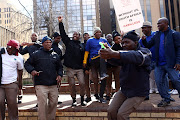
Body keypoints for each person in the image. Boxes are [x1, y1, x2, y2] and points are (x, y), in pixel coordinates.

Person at [100, 31, 151, 120]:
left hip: (138, 92)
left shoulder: (145, 52)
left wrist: (114, 53)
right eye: (122, 43)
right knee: (111, 111)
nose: (123, 45)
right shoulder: (124, 54)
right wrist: (107, 55)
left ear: (135, 42)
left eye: (127, 42)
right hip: (124, 90)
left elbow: (136, 56)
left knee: (121, 115)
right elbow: (116, 60)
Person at [142, 17, 180, 107]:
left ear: (166, 24)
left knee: (176, 80)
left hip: (171, 63)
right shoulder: (157, 35)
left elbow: (179, 49)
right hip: (159, 64)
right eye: (157, 24)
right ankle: (166, 99)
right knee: (159, 81)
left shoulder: (174, 34)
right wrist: (143, 40)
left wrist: (178, 62)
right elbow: (148, 45)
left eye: (160, 24)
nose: (158, 25)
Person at [24, 36, 63, 120]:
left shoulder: (55, 55)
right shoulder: (36, 54)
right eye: (46, 42)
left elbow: (60, 67)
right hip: (41, 84)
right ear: (42, 44)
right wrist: (32, 71)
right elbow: (27, 64)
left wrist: (59, 75)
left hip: (53, 84)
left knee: (54, 103)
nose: (48, 44)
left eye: (50, 42)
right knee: (42, 105)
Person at [58, 16, 86, 106]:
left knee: (82, 83)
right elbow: (63, 34)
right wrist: (60, 22)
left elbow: (85, 57)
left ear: (79, 36)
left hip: (79, 68)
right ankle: (73, 99)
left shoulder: (82, 46)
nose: (75, 35)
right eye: (73, 34)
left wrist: (86, 67)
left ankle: (82, 99)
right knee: (72, 84)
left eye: (76, 34)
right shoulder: (68, 42)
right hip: (70, 68)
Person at [83, 27, 110, 103]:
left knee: (103, 78)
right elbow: (87, 52)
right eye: (97, 32)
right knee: (95, 78)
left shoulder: (104, 40)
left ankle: (101, 96)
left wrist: (106, 46)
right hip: (93, 61)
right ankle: (96, 93)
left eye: (99, 32)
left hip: (102, 60)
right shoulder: (90, 41)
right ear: (94, 33)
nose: (98, 33)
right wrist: (84, 61)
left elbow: (109, 50)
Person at [0, 40, 24, 120]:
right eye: (14, 49)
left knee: (12, 104)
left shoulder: (19, 57)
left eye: (16, 50)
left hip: (11, 83)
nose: (15, 51)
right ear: (9, 48)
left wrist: (20, 83)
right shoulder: (1, 52)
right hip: (0, 84)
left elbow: (20, 71)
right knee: (0, 102)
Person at [139, 21, 158, 100]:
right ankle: (150, 90)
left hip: (157, 59)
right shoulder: (141, 39)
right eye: (142, 28)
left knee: (158, 75)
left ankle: (158, 89)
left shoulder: (155, 35)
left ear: (150, 28)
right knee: (149, 76)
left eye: (144, 28)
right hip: (148, 61)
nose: (143, 30)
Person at [106, 31, 123, 101]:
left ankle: (117, 94)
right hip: (109, 66)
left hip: (117, 66)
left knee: (118, 80)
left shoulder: (123, 46)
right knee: (108, 81)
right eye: (116, 40)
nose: (118, 41)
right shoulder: (112, 47)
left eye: (119, 39)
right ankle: (108, 94)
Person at [52, 32, 63, 104]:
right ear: (54, 38)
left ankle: (56, 97)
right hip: (51, 66)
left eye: (59, 38)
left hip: (58, 66)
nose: (58, 40)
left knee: (58, 82)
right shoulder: (50, 45)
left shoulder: (60, 47)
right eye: (57, 38)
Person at [82, 33, 92, 103]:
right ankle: (88, 96)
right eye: (84, 36)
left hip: (95, 66)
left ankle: (100, 95)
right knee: (86, 82)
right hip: (86, 66)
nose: (86, 37)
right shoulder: (82, 46)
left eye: (87, 35)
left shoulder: (93, 44)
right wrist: (85, 68)